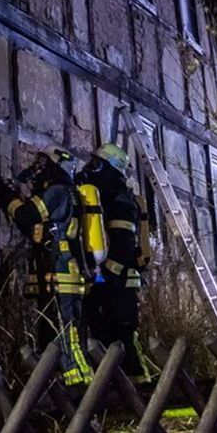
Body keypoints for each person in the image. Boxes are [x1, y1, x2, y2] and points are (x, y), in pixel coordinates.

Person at [0, 146, 92, 385]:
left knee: (65, 332)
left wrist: (5, 194)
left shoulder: (56, 191)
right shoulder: (62, 192)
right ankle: (62, 384)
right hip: (56, 270)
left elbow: (26, 215)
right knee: (53, 331)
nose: (37, 167)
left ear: (57, 165)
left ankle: (79, 384)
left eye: (43, 162)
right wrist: (9, 196)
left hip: (60, 272)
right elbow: (31, 226)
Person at [77, 142, 153, 383]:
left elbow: (122, 244)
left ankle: (140, 388)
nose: (90, 168)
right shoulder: (104, 196)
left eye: (97, 164)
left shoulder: (121, 199)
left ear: (111, 169)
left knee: (122, 334)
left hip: (120, 281)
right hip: (106, 278)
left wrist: (105, 277)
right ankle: (117, 388)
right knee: (103, 333)